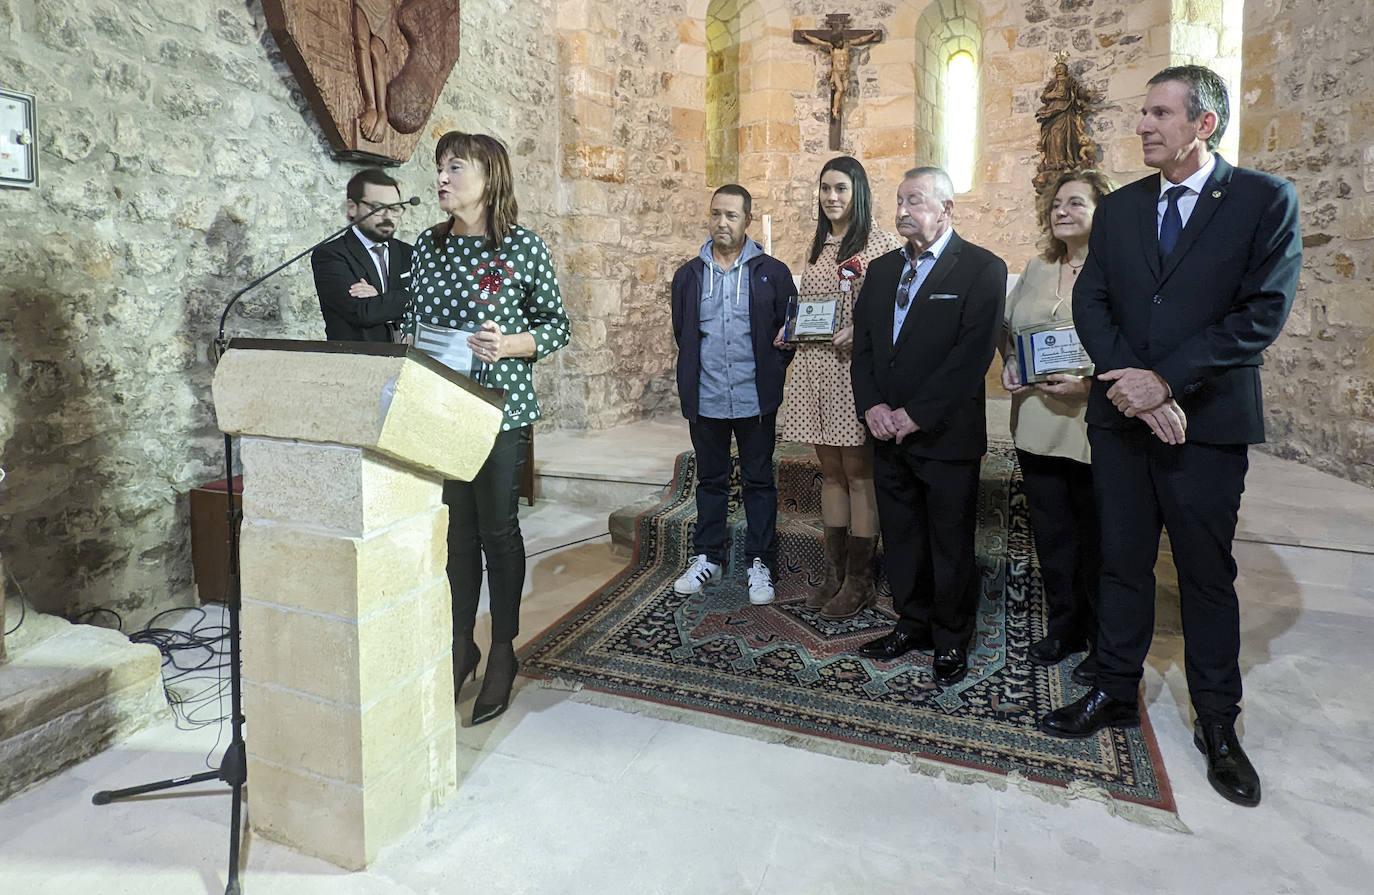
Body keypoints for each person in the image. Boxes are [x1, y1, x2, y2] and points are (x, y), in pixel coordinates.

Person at [1038, 65, 1301, 809]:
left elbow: (1259, 314)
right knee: (1121, 563)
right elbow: (1093, 302)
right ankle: (1116, 687)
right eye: (1142, 113)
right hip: (1122, 419)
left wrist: (1169, 381)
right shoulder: (1119, 210)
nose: (1143, 125)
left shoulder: (1261, 201)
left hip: (1208, 426)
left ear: (1203, 124)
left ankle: (1218, 722)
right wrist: (1132, 382)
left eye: (1159, 113)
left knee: (1205, 576)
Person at [405, 132, 570, 726]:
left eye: (455, 167)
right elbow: (412, 317)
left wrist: (511, 344)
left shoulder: (522, 248)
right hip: (440, 409)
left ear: (488, 177)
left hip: (500, 410)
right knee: (456, 536)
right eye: (439, 168)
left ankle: (502, 649)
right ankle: (460, 644)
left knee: (498, 532)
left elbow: (557, 326)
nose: (442, 178)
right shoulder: (427, 245)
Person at [850, 167, 1007, 686]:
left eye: (915, 200)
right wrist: (872, 406)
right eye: (899, 201)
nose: (903, 210)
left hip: (944, 435)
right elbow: (866, 350)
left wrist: (915, 414)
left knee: (948, 541)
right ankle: (911, 623)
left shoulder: (982, 268)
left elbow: (971, 357)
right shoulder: (880, 271)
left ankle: (950, 638)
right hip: (887, 432)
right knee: (901, 536)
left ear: (946, 208)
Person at [1000, 170, 1116, 683]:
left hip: (1091, 422)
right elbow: (1007, 329)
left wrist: (1089, 385)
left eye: (1076, 203)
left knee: (1098, 539)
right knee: (1053, 533)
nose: (1062, 212)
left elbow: (1131, 342)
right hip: (1036, 423)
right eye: (1056, 205)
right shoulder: (1037, 266)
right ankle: (1065, 625)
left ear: (1100, 213)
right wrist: (1008, 361)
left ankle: (1102, 637)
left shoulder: (1116, 270)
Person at [778, 157, 902, 619]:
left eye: (841, 189)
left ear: (859, 193)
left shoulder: (883, 244)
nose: (832, 197)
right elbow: (812, 307)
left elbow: (897, 310)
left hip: (852, 372)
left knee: (858, 474)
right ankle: (833, 574)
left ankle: (859, 580)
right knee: (828, 473)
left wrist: (863, 331)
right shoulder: (817, 246)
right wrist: (791, 330)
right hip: (813, 367)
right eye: (826, 189)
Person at [670, 185, 797, 606]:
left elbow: (789, 332)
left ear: (747, 220)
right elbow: (682, 333)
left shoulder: (772, 272)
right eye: (716, 214)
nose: (722, 223)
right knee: (710, 481)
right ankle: (709, 556)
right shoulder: (689, 275)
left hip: (753, 397)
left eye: (731, 216)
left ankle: (760, 561)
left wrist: (774, 371)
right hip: (706, 396)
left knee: (759, 480)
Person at [312, 167, 412, 341]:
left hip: (407, 360)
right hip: (356, 361)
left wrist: (379, 298)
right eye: (378, 208)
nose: (388, 217)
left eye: (395, 209)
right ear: (352, 208)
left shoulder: (409, 253)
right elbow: (363, 312)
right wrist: (409, 298)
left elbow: (431, 304)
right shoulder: (330, 255)